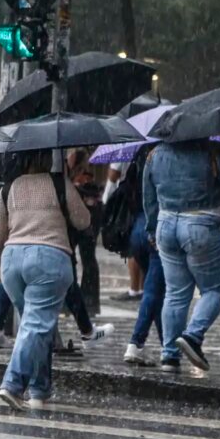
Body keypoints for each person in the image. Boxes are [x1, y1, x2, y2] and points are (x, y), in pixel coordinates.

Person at [0, 149, 90, 410]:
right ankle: (12, 384)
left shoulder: (8, 189)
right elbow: (83, 221)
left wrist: (1, 260)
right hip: (48, 258)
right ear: (47, 158)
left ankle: (39, 389)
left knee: (35, 325)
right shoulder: (59, 183)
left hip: (12, 263)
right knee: (36, 325)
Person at [144, 140, 220, 372]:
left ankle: (169, 355)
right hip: (201, 223)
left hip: (166, 224)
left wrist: (151, 228)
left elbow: (148, 195)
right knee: (215, 289)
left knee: (175, 293)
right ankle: (192, 336)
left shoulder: (155, 153)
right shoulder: (213, 150)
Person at [121, 145, 166, 366]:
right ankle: (136, 343)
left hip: (137, 229)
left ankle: (167, 343)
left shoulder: (140, 156)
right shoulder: (164, 157)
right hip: (154, 227)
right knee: (152, 290)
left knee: (156, 289)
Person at [68, 149, 103, 313]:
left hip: (87, 214)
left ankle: (87, 301)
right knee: (71, 256)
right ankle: (74, 298)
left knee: (86, 257)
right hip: (79, 213)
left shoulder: (87, 162)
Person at [104, 162, 145, 302]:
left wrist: (106, 200)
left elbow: (113, 174)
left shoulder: (124, 146)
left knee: (132, 247)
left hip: (130, 200)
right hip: (141, 198)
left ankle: (135, 289)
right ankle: (141, 287)